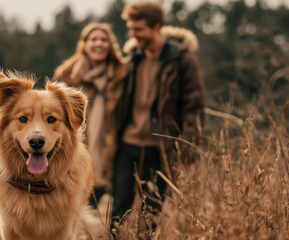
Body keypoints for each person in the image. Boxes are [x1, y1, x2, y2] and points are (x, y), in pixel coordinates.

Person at [111, 1, 206, 227]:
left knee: (151, 212)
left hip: (159, 149)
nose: (133, 34)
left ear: (156, 27)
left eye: (139, 29)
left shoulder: (182, 60)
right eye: (131, 29)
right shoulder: (134, 58)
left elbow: (194, 107)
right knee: (119, 210)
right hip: (127, 145)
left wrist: (185, 146)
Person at [53, 23, 128, 209]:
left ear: (111, 45)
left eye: (104, 40)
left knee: (118, 212)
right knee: (75, 209)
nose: (99, 44)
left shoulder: (123, 74)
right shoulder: (66, 75)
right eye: (94, 39)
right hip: (77, 149)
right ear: (84, 44)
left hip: (115, 150)